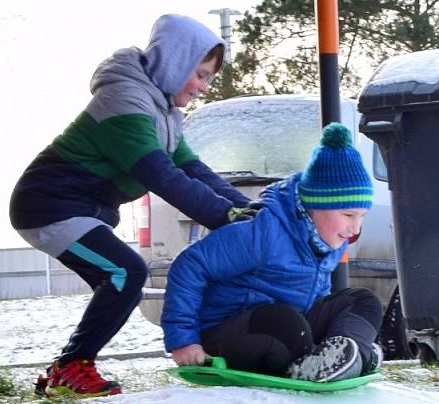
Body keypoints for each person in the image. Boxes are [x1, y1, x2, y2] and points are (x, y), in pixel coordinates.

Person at [9, 14, 253, 398]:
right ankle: (71, 367)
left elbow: (193, 169)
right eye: (202, 75)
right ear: (174, 64)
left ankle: (65, 369)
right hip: (49, 204)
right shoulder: (124, 100)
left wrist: (248, 209)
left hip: (83, 208)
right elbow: (162, 176)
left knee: (122, 284)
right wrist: (226, 217)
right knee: (125, 273)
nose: (205, 87)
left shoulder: (165, 113)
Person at [162, 123, 384, 382]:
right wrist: (184, 340)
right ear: (314, 207)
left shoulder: (329, 240)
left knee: (362, 300)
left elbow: (317, 293)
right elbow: (190, 265)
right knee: (284, 321)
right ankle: (314, 362)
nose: (355, 227)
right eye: (348, 215)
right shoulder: (263, 233)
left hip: (290, 328)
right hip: (228, 332)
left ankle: (351, 354)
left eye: (361, 216)